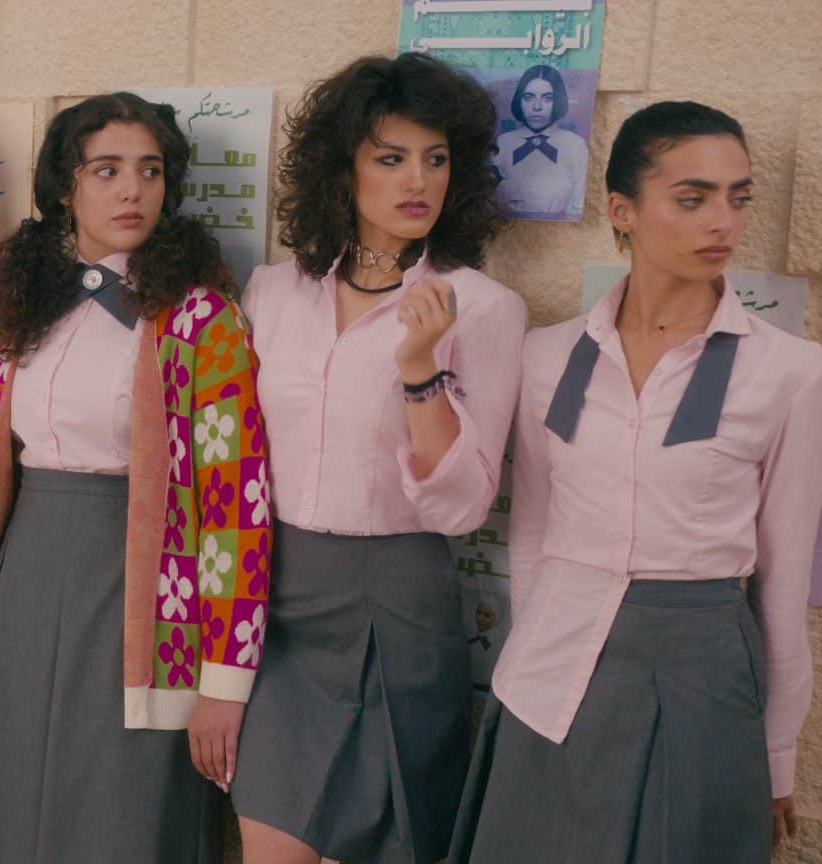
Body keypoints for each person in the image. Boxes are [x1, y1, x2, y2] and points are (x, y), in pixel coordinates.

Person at [450, 101, 822, 863]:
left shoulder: (793, 373)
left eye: (739, 197)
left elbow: (784, 583)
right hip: (549, 676)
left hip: (702, 677)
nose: (723, 221)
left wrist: (777, 754)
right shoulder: (545, 356)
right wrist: (528, 659)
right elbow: (532, 536)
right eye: (693, 198)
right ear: (622, 211)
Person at [0, 92, 271, 864]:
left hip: (142, 593)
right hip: (25, 580)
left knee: (113, 808)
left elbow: (238, 508)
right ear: (66, 187)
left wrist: (226, 679)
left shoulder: (202, 322)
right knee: (13, 798)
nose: (132, 191)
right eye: (107, 170)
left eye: (150, 172)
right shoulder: (24, 309)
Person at [232, 54, 526, 864]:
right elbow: (234, 462)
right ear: (342, 167)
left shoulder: (485, 308)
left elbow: (463, 508)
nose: (418, 180)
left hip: (398, 600)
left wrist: (420, 371)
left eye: (437, 158)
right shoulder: (271, 291)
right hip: (275, 601)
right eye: (391, 157)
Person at [491, 65, 587, 220]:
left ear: (558, 101)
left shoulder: (575, 145)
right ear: (519, 100)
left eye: (547, 98)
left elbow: (578, 204)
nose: (537, 106)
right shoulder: (504, 142)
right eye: (529, 97)